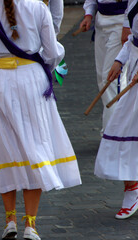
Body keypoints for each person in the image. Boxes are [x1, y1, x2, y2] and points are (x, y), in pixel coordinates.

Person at [0, 0, 82, 239]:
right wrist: (44, 66)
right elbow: (52, 52)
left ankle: (10, 220)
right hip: (32, 80)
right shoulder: (38, 7)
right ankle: (31, 224)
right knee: (33, 146)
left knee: (5, 148)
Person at [95, 0, 138, 220]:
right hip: (134, 68)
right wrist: (119, 61)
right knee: (122, 129)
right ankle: (132, 189)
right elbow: (133, 37)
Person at [79, 0, 129, 134]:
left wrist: (127, 25)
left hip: (121, 21)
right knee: (102, 77)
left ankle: (114, 133)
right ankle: (112, 129)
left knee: (111, 79)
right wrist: (89, 13)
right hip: (101, 21)